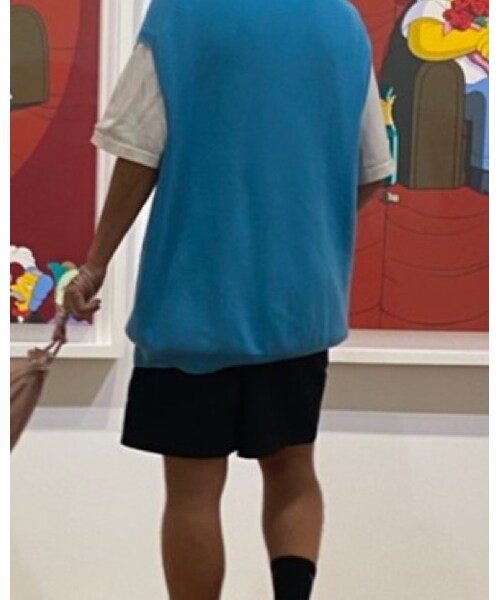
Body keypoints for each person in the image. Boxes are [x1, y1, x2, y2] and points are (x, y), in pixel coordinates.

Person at [63, 0, 393, 598]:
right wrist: (307, 229)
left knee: (193, 491)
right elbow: (373, 169)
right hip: (299, 306)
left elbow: (138, 151)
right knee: (293, 470)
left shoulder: (182, 15)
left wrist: (95, 263)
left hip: (194, 303)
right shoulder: (342, 22)